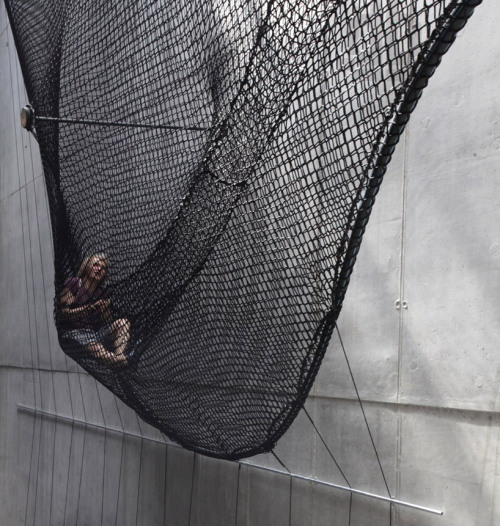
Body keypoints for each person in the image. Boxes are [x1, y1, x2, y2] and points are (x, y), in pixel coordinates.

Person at [59, 253, 132, 368]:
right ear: (87, 266)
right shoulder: (74, 283)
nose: (99, 269)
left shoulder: (103, 293)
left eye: (103, 268)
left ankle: (119, 358)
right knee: (97, 348)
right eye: (96, 265)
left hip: (96, 333)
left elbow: (107, 320)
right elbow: (64, 313)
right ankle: (122, 361)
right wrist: (86, 309)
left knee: (124, 323)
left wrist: (104, 309)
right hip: (76, 333)